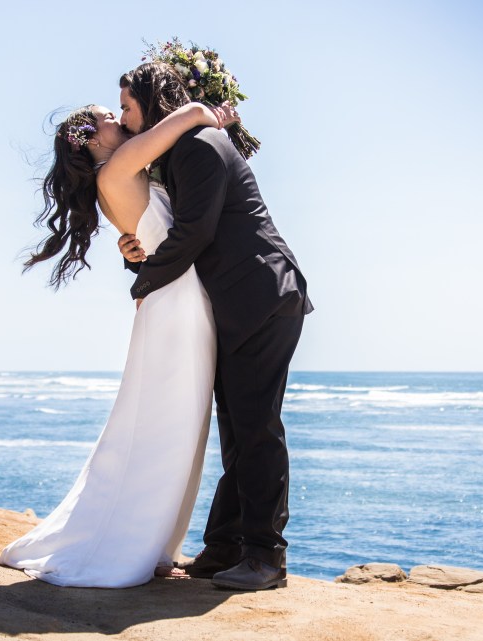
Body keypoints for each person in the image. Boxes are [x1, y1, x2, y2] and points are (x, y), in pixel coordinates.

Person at [0, 100, 238, 588]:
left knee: (170, 423)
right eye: (112, 116)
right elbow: (186, 118)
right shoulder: (119, 168)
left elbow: (152, 236)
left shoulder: (122, 173)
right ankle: (129, 542)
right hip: (177, 304)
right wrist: (205, 108)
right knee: (166, 424)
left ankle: (146, 537)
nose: (122, 121)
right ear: (91, 140)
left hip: (178, 299)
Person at [117, 63, 312, 591]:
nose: (122, 119)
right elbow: (184, 233)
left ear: (155, 103)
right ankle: (225, 546)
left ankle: (267, 557)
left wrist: (142, 284)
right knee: (238, 430)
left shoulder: (199, 145)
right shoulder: (184, 149)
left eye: (128, 108)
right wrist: (139, 260)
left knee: (255, 429)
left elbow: (196, 233)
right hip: (244, 303)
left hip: (262, 298)